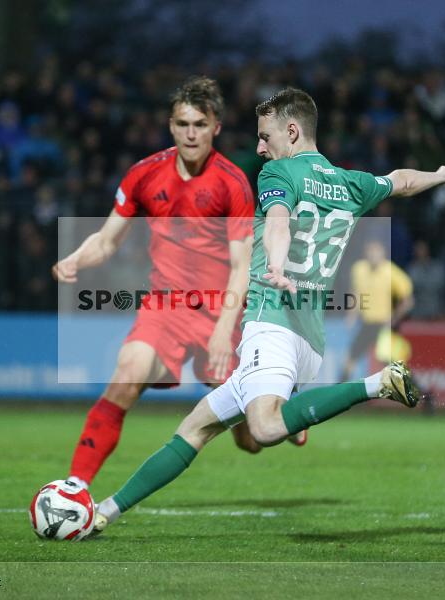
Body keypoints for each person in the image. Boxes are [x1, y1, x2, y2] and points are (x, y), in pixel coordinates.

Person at [89, 87, 445, 533]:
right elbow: (400, 181)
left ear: (292, 131)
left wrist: (278, 265)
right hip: (310, 341)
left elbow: (279, 222)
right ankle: (102, 513)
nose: (261, 148)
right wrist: (440, 174)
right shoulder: (351, 183)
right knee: (194, 429)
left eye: (266, 137)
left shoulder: (278, 173)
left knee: (263, 428)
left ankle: (376, 383)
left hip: (272, 325)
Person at [51, 76, 290, 491]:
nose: (191, 133)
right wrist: (75, 258)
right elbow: (106, 240)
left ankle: (287, 415)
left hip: (221, 311)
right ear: (171, 126)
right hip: (166, 308)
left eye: (200, 124)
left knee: (253, 437)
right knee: (127, 373)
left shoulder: (232, 182)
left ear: (216, 127)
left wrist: (222, 332)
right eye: (183, 124)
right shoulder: (145, 174)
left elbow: (241, 266)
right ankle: (75, 488)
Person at [339, 239, 414, 382]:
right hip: (367, 324)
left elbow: (408, 301)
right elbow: (355, 293)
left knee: (390, 362)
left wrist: (394, 318)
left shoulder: (390, 271)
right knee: (350, 358)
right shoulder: (359, 269)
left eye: (376, 251)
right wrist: (351, 315)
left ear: (383, 253)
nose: (373, 255)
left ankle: (417, 390)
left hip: (384, 325)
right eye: (370, 251)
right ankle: (338, 390)